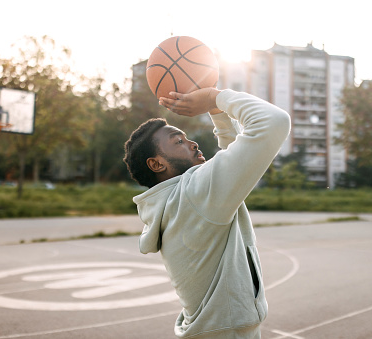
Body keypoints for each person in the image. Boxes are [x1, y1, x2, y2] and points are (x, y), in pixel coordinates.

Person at [123, 88, 291, 338]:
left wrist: (217, 113)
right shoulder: (194, 194)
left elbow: (234, 159)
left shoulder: (174, 202)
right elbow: (274, 121)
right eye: (178, 141)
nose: (192, 143)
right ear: (157, 164)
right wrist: (214, 97)